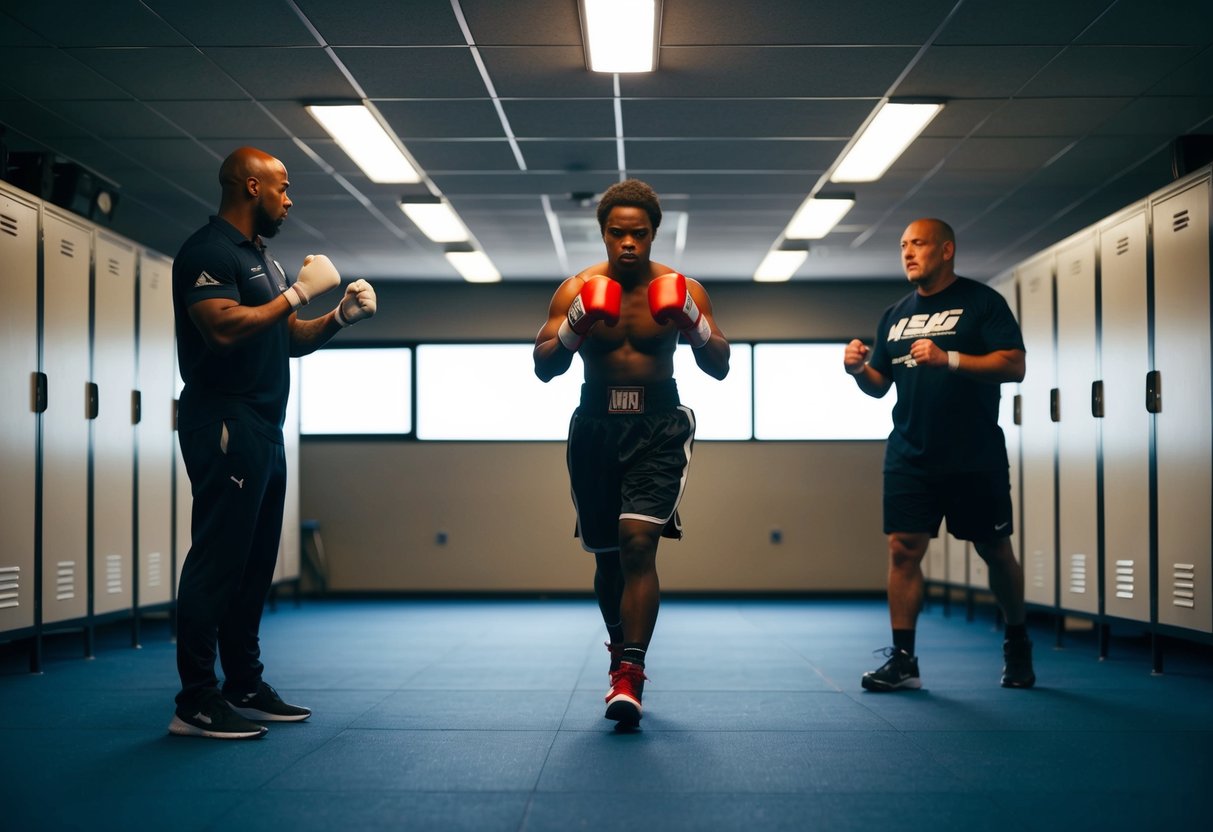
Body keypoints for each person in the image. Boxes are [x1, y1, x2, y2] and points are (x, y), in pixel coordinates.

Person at [169, 147, 378, 739]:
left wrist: (338, 316)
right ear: (250, 185)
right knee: (217, 559)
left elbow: (287, 339)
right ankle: (195, 700)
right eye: (282, 187)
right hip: (225, 421)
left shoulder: (263, 259)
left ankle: (243, 683)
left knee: (255, 563)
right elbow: (223, 326)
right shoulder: (207, 252)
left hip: (265, 426)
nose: (290, 199)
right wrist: (296, 295)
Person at [533, 179, 730, 726]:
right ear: (602, 233)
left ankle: (631, 674)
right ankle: (619, 651)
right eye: (617, 233)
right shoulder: (576, 288)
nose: (627, 243)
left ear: (653, 234)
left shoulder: (680, 286)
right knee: (607, 555)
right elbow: (544, 366)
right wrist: (575, 327)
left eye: (638, 234)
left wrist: (692, 321)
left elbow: (720, 364)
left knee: (637, 541)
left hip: (659, 426)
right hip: (594, 426)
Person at [844, 217, 1035, 691]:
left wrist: (948, 358)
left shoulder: (981, 302)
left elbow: (1014, 365)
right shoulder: (895, 315)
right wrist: (857, 371)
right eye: (903, 246)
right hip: (911, 453)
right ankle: (904, 658)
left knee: (994, 549)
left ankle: (1016, 639)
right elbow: (881, 385)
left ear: (946, 250)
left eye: (919, 244)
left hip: (974, 454)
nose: (908, 253)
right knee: (902, 550)